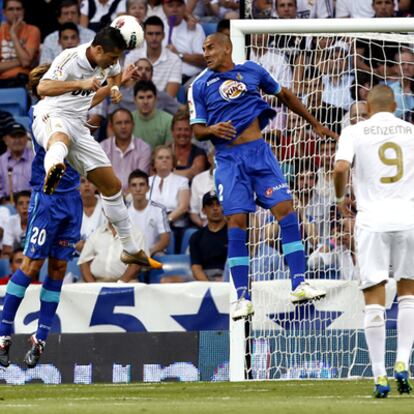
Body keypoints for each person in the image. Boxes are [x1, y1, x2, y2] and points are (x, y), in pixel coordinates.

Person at [189, 33, 336, 320]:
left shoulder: (252, 70)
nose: (205, 53)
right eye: (203, 49)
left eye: (210, 47)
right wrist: (212, 130)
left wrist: (315, 124)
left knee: (286, 210)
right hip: (229, 160)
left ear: (227, 47)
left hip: (259, 153)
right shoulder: (199, 85)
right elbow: (197, 130)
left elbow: (285, 95)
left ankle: (299, 282)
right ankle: (242, 297)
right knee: (238, 222)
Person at [31, 26, 161, 270]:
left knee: (112, 186)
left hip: (78, 124)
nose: (114, 63)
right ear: (98, 49)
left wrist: (115, 87)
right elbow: (43, 89)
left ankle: (131, 249)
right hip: (52, 113)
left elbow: (94, 94)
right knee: (60, 139)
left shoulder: (109, 62)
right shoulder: (69, 58)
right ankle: (54, 169)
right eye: (112, 58)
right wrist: (80, 82)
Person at [0, 64, 84, 369]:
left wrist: (116, 83)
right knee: (32, 264)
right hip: (47, 198)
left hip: (72, 199)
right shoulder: (41, 114)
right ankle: (4, 332)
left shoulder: (73, 107)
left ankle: (41, 337)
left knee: (60, 266)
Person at [333, 84, 414, 397]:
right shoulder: (410, 130)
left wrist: (341, 194)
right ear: (394, 104)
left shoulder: (355, 131)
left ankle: (379, 375)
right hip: (408, 219)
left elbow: (340, 167)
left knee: (374, 299)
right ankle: (404, 362)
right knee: (408, 293)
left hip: (372, 221)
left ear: (367, 107)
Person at [124, 16, 182, 98]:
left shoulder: (175, 60)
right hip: (134, 105)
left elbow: (170, 97)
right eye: (150, 34)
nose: (154, 38)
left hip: (164, 108)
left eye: (157, 34)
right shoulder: (131, 57)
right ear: (144, 35)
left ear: (163, 35)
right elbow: (129, 90)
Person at [148, 145, 190, 251]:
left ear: (173, 162)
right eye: (160, 158)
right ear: (154, 163)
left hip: (174, 227)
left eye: (168, 158)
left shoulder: (182, 181)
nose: (164, 160)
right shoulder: (146, 182)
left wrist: (164, 222)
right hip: (149, 224)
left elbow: (183, 207)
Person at [101, 108, 152, 193]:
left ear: (133, 125)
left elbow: (140, 179)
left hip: (134, 196)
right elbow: (101, 179)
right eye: (119, 123)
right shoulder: (103, 148)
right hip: (109, 196)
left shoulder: (144, 148)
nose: (123, 126)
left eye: (127, 122)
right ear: (111, 126)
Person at [78, 221, 144, 283]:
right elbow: (84, 262)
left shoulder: (136, 233)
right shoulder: (96, 234)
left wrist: (119, 285)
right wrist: (92, 285)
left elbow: (136, 265)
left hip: (127, 282)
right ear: (104, 211)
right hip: (97, 282)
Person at [127, 169, 170, 258]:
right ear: (129, 189)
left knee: (160, 257)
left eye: (142, 185)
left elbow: (165, 240)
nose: (138, 189)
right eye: (134, 185)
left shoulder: (159, 209)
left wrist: (148, 252)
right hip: (130, 255)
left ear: (148, 188)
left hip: (153, 253)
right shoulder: (123, 211)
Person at [40, 0, 95, 65]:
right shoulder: (50, 39)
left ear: (79, 17)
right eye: (66, 13)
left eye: (73, 13)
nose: (70, 17)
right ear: (59, 18)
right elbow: (44, 68)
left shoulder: (91, 36)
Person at [0, 0, 41, 87]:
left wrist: (13, 35)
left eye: (18, 9)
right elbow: (26, 61)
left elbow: (26, 62)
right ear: (4, 12)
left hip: (24, 80)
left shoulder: (32, 30)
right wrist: (21, 61)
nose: (15, 13)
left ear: (23, 11)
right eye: (11, 9)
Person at [189, 191, 228, 281]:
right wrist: (210, 286)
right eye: (210, 205)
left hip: (227, 276)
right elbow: (196, 268)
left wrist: (224, 282)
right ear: (203, 210)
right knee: (168, 280)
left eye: (218, 204)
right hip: (204, 278)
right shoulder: (196, 237)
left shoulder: (232, 234)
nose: (215, 208)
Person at [132, 80, 174, 149]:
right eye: (141, 97)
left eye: (149, 97)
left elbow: (169, 151)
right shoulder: (127, 120)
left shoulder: (168, 121)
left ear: (156, 99)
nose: (145, 102)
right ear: (134, 100)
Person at [0, 122, 34, 199]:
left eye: (20, 136)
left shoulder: (35, 160)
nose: (17, 140)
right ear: (5, 139)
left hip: (31, 203)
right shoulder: (1, 161)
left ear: (26, 138)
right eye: (13, 136)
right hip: (6, 205)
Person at [172, 109, 207, 181]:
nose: (183, 133)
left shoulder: (199, 153)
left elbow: (195, 173)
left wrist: (167, 174)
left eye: (186, 129)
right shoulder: (166, 150)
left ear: (192, 132)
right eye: (179, 129)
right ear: (172, 131)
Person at [1, 190, 30, 257]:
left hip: (36, 258)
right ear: (16, 207)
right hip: (17, 256)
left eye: (28, 203)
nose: (25, 207)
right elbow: (6, 249)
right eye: (21, 203)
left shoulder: (42, 222)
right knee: (4, 256)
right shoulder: (11, 221)